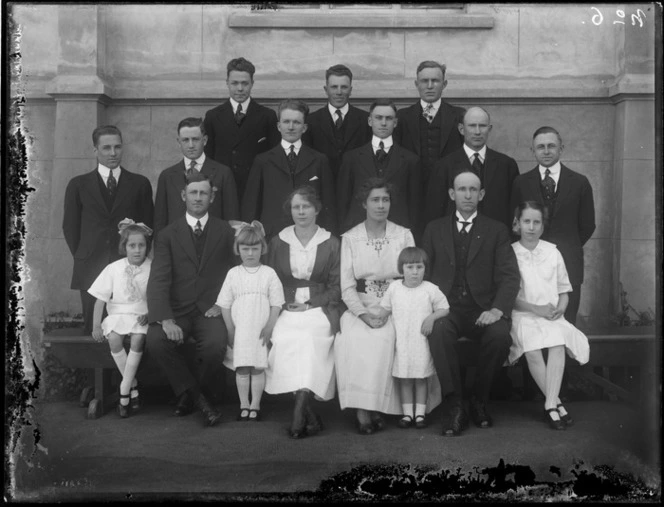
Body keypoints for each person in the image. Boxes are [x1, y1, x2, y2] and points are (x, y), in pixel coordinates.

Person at [334, 178, 441, 435]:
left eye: (385, 199)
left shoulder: (403, 234)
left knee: (391, 337)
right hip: (363, 305)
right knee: (357, 338)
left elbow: (412, 277)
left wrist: (391, 309)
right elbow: (347, 286)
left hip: (400, 304)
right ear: (364, 203)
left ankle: (388, 408)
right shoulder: (350, 238)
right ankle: (363, 410)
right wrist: (363, 314)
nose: (381, 205)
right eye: (375, 200)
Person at [423, 169, 520, 436]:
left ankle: (479, 400)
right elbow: (425, 274)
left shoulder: (496, 230)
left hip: (483, 309)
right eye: (462, 189)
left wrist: (497, 310)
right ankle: (455, 405)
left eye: (473, 190)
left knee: (499, 336)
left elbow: (509, 276)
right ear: (452, 194)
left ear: (482, 194)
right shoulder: (434, 229)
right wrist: (432, 310)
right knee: (438, 333)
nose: (468, 195)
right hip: (447, 309)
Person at [146, 171, 235, 427]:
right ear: (184, 195)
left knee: (215, 344)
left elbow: (234, 274)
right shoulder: (166, 235)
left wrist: (222, 304)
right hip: (179, 311)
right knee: (156, 340)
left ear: (212, 196)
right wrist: (165, 319)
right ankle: (199, 398)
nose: (198, 198)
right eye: (193, 193)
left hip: (211, 310)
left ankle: (188, 395)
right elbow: (159, 280)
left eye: (203, 193)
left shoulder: (225, 231)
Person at [265, 186, 342, 439]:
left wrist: (310, 304)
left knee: (309, 340)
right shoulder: (278, 241)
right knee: (284, 338)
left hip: (319, 309)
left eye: (306, 206)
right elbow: (272, 280)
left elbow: (336, 287)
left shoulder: (331, 243)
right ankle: (307, 411)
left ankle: (299, 413)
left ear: (317, 209)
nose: (301, 212)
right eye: (296, 207)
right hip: (286, 307)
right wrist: (286, 304)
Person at [63, 125, 153, 334]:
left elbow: (149, 227)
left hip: (129, 269)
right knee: (94, 333)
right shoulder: (78, 185)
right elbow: (70, 227)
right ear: (95, 150)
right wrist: (84, 255)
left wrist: (136, 261)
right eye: (106, 148)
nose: (113, 153)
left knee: (132, 330)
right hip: (90, 268)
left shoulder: (139, 183)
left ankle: (127, 368)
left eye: (117, 147)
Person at [508, 201, 590, 430]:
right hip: (523, 314)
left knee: (556, 344)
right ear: (517, 224)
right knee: (532, 350)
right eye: (527, 221)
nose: (531, 227)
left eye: (536, 222)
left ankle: (550, 406)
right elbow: (508, 297)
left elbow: (564, 290)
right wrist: (536, 309)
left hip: (552, 315)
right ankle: (556, 404)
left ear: (543, 226)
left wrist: (560, 308)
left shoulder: (553, 252)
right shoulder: (510, 253)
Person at [511, 126, 596, 325]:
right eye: (540, 147)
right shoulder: (521, 183)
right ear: (533, 151)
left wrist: (564, 246)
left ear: (561, 148)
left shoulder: (580, 183)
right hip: (530, 263)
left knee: (565, 321)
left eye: (551, 146)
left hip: (568, 261)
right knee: (531, 321)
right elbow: (513, 221)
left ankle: (565, 358)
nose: (546, 151)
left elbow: (587, 225)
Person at [210, 221, 284, 422]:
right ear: (238, 249)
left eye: (255, 248)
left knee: (258, 366)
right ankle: (243, 404)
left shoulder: (268, 273)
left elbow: (276, 303)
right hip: (240, 329)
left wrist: (269, 326)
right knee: (242, 366)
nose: (250, 253)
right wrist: (230, 329)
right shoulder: (233, 274)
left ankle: (255, 404)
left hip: (260, 328)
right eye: (245, 248)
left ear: (262, 248)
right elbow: (224, 304)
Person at [241, 99, 337, 239]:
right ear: (279, 126)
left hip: (310, 237)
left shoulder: (319, 160)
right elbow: (251, 207)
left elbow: (328, 206)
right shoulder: (263, 161)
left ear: (304, 128)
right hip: (272, 237)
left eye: (296, 122)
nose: (291, 127)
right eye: (286, 122)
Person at [378, 247, 449, 430]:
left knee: (421, 378)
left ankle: (420, 415)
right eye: (410, 267)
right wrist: (375, 318)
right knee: (405, 379)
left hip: (421, 343)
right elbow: (384, 309)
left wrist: (431, 318)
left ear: (425, 268)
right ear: (401, 269)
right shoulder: (394, 288)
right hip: (402, 343)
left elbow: (444, 308)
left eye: (419, 267)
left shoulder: (430, 289)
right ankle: (407, 414)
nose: (415, 272)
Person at [88, 219, 153, 418]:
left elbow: (157, 297)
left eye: (141, 245)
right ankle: (131, 386)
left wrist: (150, 314)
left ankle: (124, 392)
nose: (137, 250)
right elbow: (100, 300)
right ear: (124, 247)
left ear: (146, 247)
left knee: (138, 338)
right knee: (114, 338)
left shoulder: (153, 268)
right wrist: (96, 325)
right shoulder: (114, 268)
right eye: (132, 245)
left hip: (140, 315)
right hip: (117, 314)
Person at [425, 107, 519, 229]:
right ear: (461, 129)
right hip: (455, 239)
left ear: (489, 129)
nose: (477, 131)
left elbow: (514, 211)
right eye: (472, 126)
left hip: (496, 240)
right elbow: (434, 212)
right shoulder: (443, 166)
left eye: (482, 126)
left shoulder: (507, 165)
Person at [337, 99, 421, 235]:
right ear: (370, 121)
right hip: (359, 233)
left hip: (398, 234)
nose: (383, 123)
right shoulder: (351, 158)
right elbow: (343, 201)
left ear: (395, 123)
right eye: (378, 118)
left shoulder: (411, 160)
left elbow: (415, 206)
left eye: (388, 118)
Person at [203, 57, 280, 202]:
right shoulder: (213, 116)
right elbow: (208, 157)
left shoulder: (267, 116)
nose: (240, 88)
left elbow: (273, 158)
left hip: (255, 189)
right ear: (227, 83)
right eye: (235, 83)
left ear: (252, 83)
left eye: (244, 83)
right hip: (222, 189)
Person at [154, 117, 239, 236]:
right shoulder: (167, 176)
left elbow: (231, 218)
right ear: (178, 142)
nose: (191, 145)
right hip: (177, 247)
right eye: (185, 140)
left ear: (204, 140)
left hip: (214, 245)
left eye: (195, 139)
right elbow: (160, 223)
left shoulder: (223, 173)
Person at [393, 60, 465, 184]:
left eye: (435, 81)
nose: (430, 86)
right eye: (424, 81)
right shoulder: (402, 116)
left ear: (444, 84)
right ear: (416, 84)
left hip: (449, 185)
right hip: (413, 185)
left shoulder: (460, 115)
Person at [302, 64, 371, 180]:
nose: (339, 92)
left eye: (344, 87)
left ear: (351, 90)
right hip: (322, 188)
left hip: (356, 187)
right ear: (326, 90)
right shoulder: (311, 121)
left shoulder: (366, 120)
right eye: (334, 87)